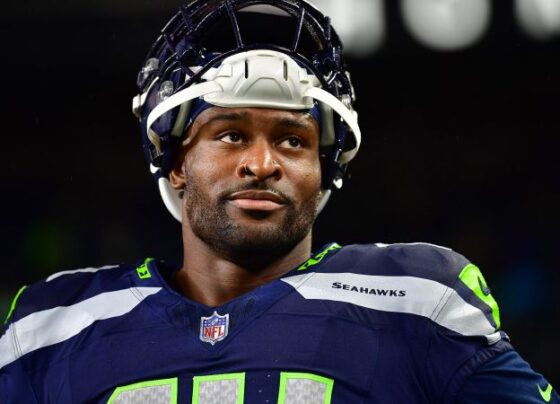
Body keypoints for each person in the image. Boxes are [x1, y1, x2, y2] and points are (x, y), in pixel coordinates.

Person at [0, 0, 557, 402]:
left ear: (326, 169)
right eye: (231, 135)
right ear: (174, 163)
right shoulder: (52, 328)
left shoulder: (415, 303)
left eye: (293, 140)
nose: (263, 164)